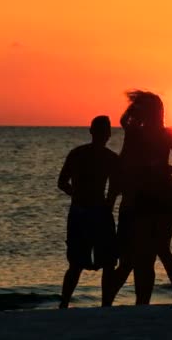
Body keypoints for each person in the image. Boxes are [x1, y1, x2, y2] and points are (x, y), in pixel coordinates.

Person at [110, 90, 172, 305]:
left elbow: (123, 123)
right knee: (160, 250)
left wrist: (133, 108)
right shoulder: (168, 133)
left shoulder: (136, 132)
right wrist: (166, 169)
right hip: (166, 195)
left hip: (146, 197)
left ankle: (139, 301)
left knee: (144, 255)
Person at [57, 115, 119, 309]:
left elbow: (62, 183)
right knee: (105, 263)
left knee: (78, 264)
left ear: (91, 131)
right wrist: (109, 200)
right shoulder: (109, 158)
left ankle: (65, 303)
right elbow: (118, 185)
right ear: (107, 134)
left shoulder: (77, 154)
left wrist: (76, 194)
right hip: (95, 211)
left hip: (83, 211)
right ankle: (105, 305)